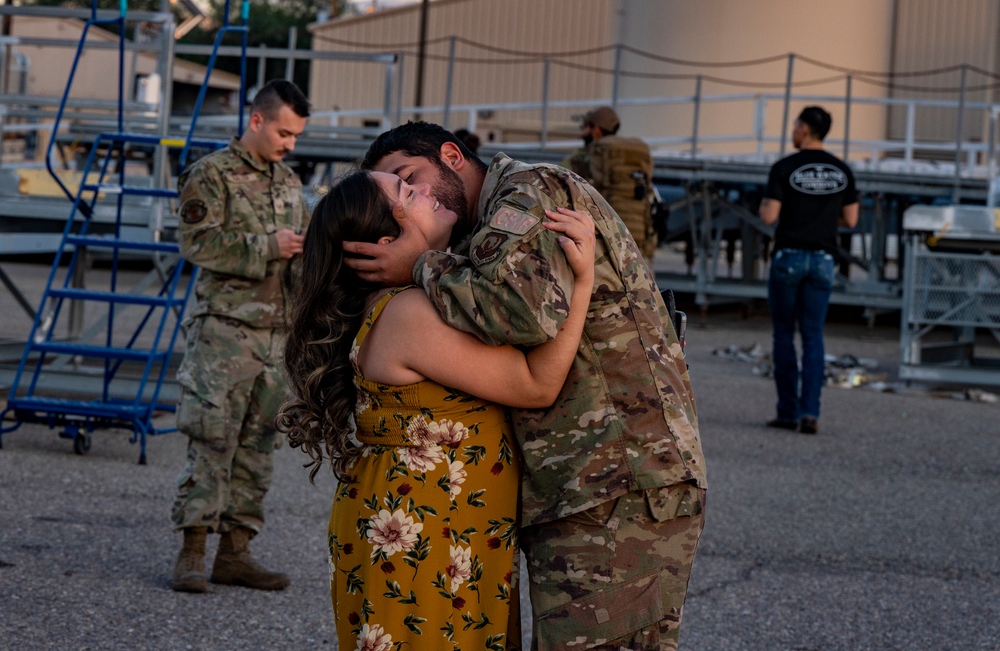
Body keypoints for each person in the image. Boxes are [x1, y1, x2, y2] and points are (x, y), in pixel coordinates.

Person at [345, 121, 707, 651]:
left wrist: (419, 263)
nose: (415, 197)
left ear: (451, 155)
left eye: (410, 176)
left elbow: (519, 313)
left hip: (618, 475)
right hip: (587, 477)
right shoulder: (484, 223)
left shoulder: (528, 192)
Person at [278, 170, 596, 651]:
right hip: (427, 533)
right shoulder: (408, 312)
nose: (427, 190)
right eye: (408, 191)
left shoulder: (415, 299)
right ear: (388, 239)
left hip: (446, 526)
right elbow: (535, 384)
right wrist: (585, 278)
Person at [170, 79, 311, 593]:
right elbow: (196, 243)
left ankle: (236, 552)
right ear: (256, 120)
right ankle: (191, 552)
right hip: (225, 333)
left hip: (276, 335)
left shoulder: (290, 183)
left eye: (296, 135)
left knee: (258, 447)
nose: (289, 143)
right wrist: (266, 245)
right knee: (212, 441)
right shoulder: (210, 175)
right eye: (283, 131)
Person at [760, 105, 859, 435]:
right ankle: (810, 412)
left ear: (804, 129)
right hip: (822, 259)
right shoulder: (842, 170)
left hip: (788, 256)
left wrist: (766, 204)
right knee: (814, 335)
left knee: (784, 334)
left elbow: (769, 216)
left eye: (794, 125)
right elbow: (852, 219)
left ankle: (787, 411)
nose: (792, 130)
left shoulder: (784, 167)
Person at [562, 105, 658, 261]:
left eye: (586, 128)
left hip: (604, 239)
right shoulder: (632, 159)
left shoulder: (585, 158)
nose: (583, 133)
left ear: (597, 130)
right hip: (637, 240)